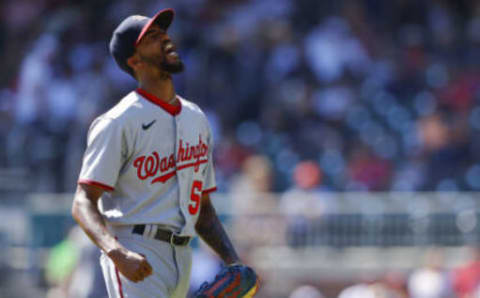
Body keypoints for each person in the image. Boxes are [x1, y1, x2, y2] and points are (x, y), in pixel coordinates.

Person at [71, 8, 245, 298]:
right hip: (136, 248)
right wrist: (116, 252)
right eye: (152, 37)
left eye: (163, 32)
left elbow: (203, 209)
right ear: (134, 60)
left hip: (183, 253)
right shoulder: (118, 122)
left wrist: (233, 261)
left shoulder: (196, 118)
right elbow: (82, 202)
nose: (165, 39)